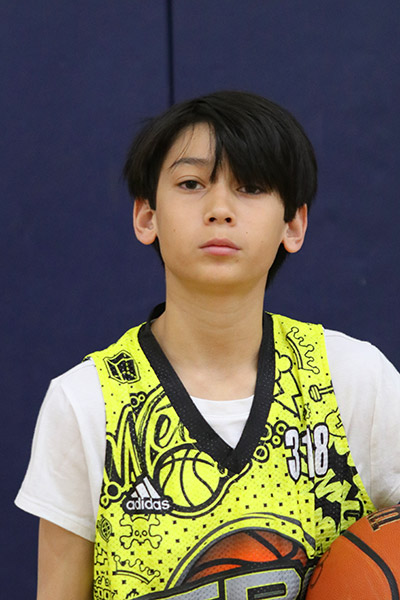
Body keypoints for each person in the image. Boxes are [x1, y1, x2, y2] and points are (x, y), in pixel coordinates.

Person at [16, 91, 400, 600]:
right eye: (192, 184)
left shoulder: (355, 379)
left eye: (251, 186)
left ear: (293, 225)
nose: (219, 209)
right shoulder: (86, 403)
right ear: (146, 216)